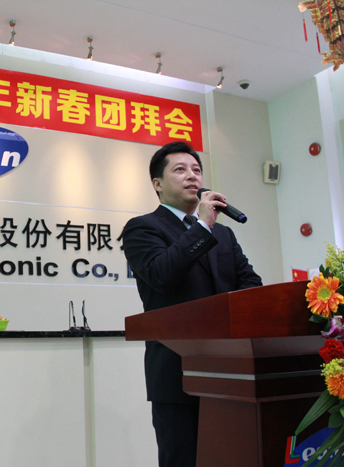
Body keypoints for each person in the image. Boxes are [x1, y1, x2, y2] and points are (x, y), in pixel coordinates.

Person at [121, 141, 262, 467]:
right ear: (157, 184)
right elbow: (162, 275)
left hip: (230, 373)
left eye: (197, 170)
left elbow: (251, 285)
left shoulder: (223, 235)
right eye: (180, 170)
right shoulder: (143, 228)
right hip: (177, 374)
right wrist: (202, 226)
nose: (192, 176)